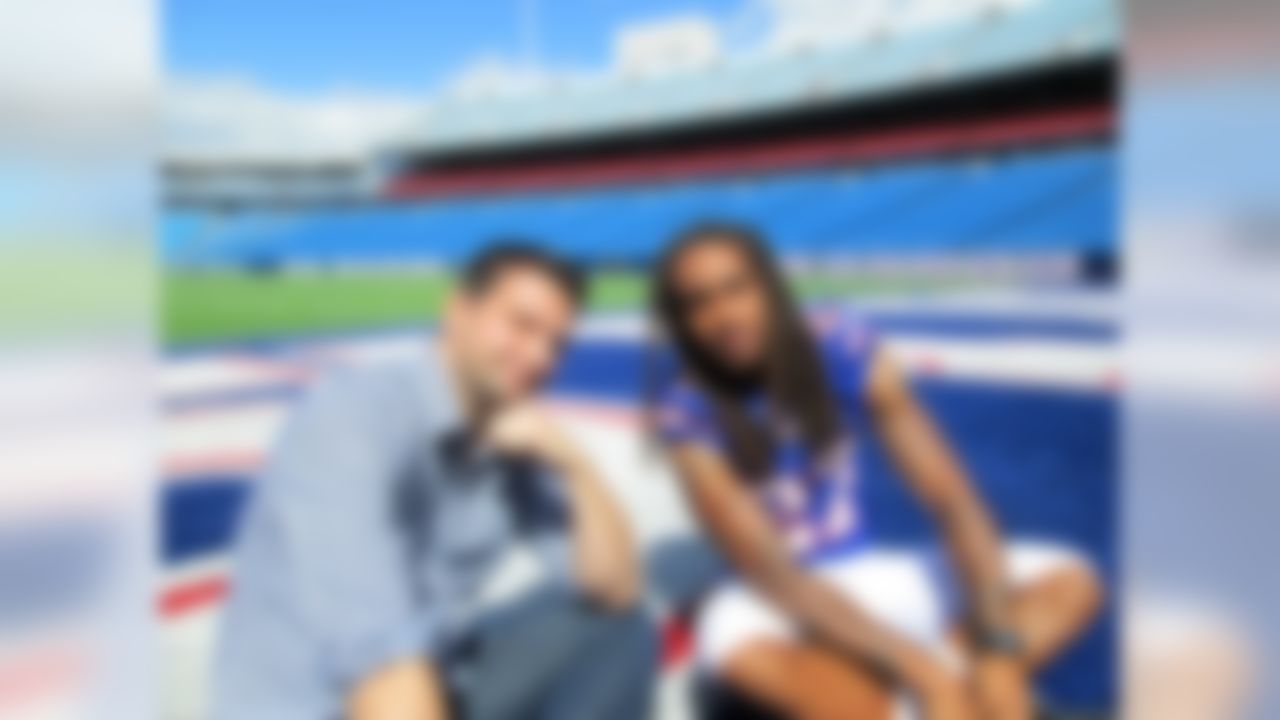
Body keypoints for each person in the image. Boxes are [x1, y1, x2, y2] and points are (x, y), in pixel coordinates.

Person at [650, 223, 1103, 720]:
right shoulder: (685, 409)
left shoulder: (841, 343)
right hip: (773, 599)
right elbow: (768, 568)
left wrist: (997, 647)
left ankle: (951, 684)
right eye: (698, 302)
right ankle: (931, 689)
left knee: (1071, 579)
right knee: (737, 651)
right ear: (682, 323)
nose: (725, 315)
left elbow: (951, 496)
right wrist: (914, 665)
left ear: (769, 286)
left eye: (737, 288)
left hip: (863, 568)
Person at [214, 243, 657, 720]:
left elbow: (617, 588)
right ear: (457, 312)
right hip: (319, 701)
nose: (538, 357)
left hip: (435, 677)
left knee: (619, 629)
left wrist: (575, 463)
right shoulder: (354, 419)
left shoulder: (507, 434)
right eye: (521, 325)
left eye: (557, 344)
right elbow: (379, 665)